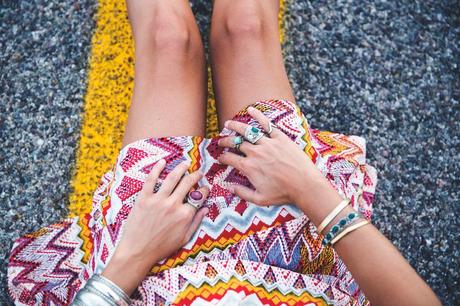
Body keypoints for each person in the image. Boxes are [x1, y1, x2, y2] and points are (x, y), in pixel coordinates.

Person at [8, 1, 440, 305]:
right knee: (245, 27)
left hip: (148, 274)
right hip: (295, 259)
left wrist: (133, 256)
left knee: (168, 39)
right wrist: (308, 186)